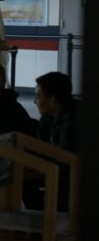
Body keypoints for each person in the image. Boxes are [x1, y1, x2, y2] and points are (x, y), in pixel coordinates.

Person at [24, 71, 78, 211]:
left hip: (74, 177)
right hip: (60, 170)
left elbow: (64, 161)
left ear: (52, 100)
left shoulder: (74, 119)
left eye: (38, 96)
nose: (34, 101)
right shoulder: (48, 117)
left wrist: (26, 175)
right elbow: (41, 151)